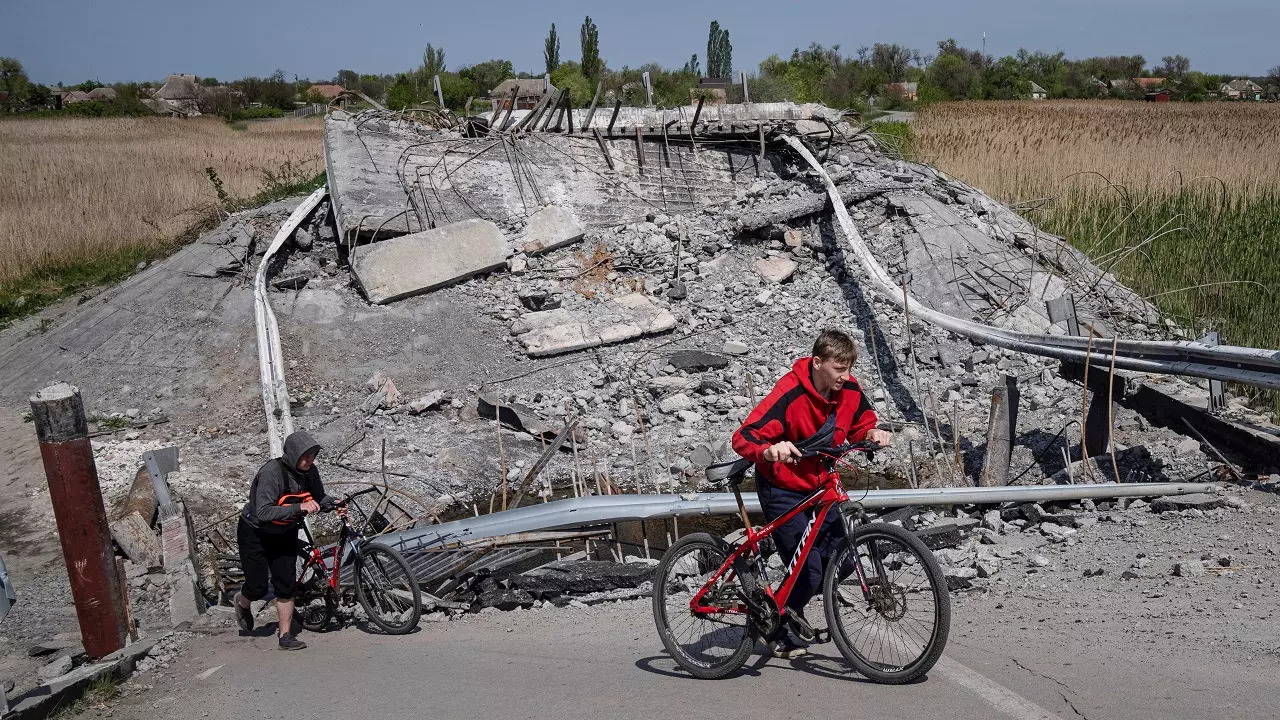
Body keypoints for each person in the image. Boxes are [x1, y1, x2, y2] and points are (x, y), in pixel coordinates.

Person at [731, 328, 893, 659]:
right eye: (839, 368)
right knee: (809, 570)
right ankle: (775, 625)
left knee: (842, 559)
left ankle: (788, 606)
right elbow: (744, 436)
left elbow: (862, 420)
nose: (846, 376)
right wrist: (770, 450)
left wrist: (873, 432)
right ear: (818, 363)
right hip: (783, 488)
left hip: (822, 485)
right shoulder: (789, 393)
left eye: (849, 368)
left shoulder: (848, 388)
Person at [235, 431, 337, 650]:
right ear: (292, 455)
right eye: (305, 456)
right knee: (257, 587)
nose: (310, 460)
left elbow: (318, 497)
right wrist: (299, 507)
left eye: (313, 455)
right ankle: (242, 604)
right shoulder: (271, 473)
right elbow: (263, 512)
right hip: (255, 532)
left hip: (286, 531)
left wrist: (336, 503)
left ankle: (285, 636)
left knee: (285, 584)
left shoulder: (310, 472)